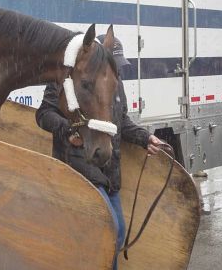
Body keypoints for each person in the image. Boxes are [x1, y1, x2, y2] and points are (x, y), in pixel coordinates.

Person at [36, 34, 166, 269]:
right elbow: (44, 114)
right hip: (78, 166)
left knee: (117, 233)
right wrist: (68, 130)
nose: (113, 71)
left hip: (110, 170)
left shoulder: (115, 84)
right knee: (108, 231)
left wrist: (145, 138)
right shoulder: (64, 78)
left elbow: (121, 121)